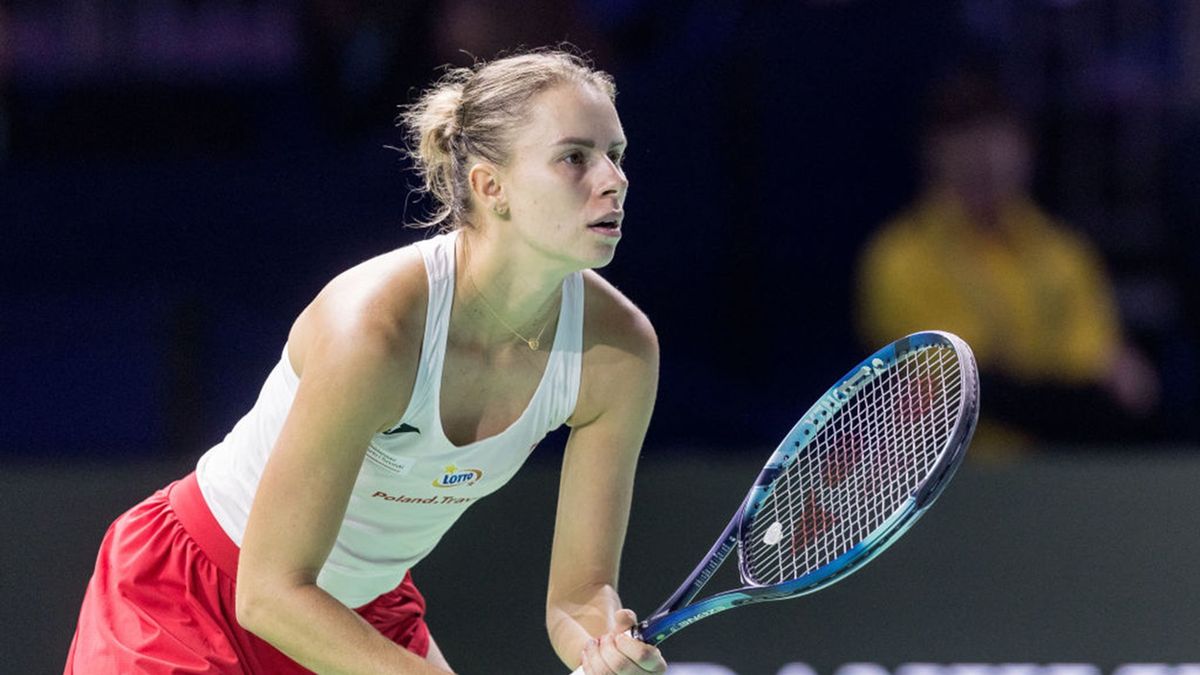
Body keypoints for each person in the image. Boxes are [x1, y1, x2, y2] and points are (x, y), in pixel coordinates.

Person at [65, 49, 668, 675]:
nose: (613, 179)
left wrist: (600, 646)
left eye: (616, 155)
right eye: (575, 157)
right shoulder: (376, 331)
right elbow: (268, 593)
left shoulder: (619, 352)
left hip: (360, 613)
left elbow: (577, 598)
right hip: (189, 598)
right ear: (492, 187)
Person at [855, 67, 1161, 453]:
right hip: (950, 476)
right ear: (932, 151)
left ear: (1026, 147)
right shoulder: (897, 260)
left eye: (998, 135)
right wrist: (1069, 390)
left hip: (1062, 471)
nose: (983, 154)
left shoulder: (1066, 253)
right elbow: (955, 391)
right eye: (964, 136)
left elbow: (1107, 375)